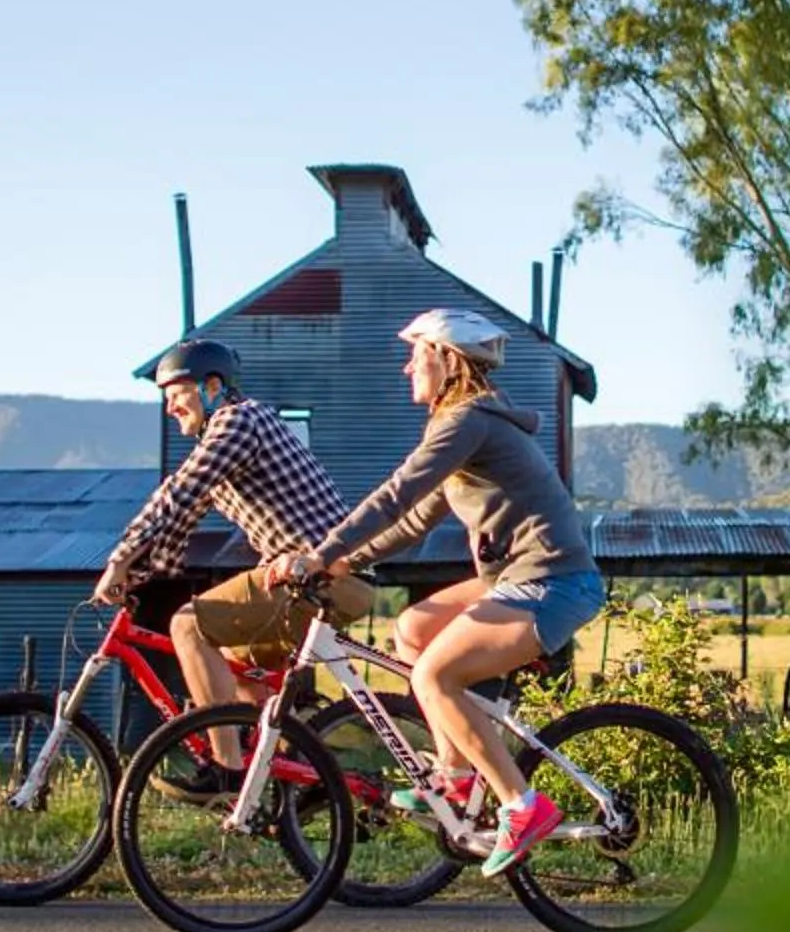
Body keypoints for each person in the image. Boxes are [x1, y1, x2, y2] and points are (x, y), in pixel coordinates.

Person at [262, 307, 606, 877]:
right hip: (519, 578)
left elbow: (396, 494)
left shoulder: (466, 421)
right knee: (413, 629)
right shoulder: (464, 425)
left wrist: (319, 554)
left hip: (553, 580)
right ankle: (456, 774)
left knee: (433, 676)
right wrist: (342, 562)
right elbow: (413, 520)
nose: (405, 369)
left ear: (445, 360)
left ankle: (523, 805)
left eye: (414, 355)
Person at [93, 338, 375, 724]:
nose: (170, 407)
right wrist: (140, 573)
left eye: (177, 394)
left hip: (321, 577)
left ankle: (227, 771)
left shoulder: (238, 421)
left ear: (212, 388)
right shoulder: (229, 436)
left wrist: (119, 561)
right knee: (239, 662)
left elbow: (178, 494)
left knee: (188, 625)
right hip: (320, 578)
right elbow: (183, 517)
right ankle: (289, 764)